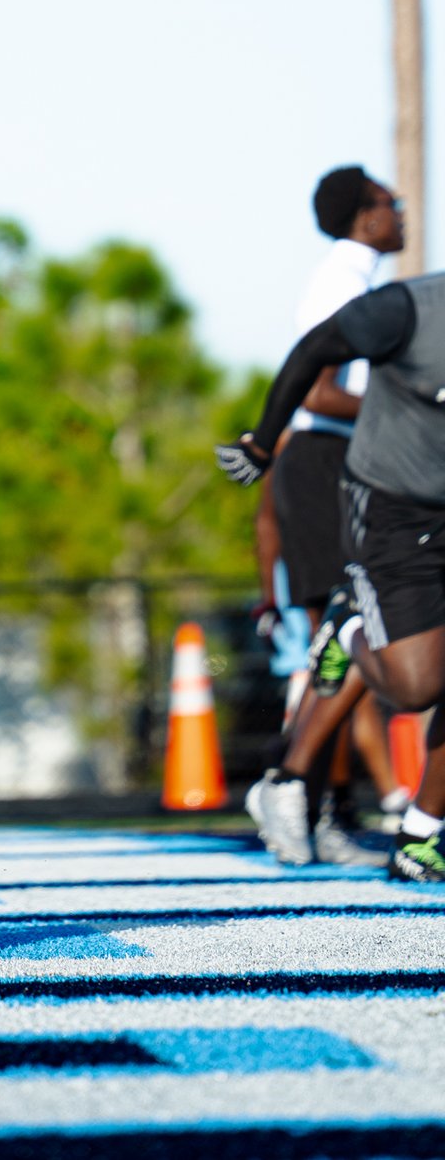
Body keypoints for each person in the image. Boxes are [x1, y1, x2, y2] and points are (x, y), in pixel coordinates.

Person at [217, 264, 445, 882]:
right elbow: (315, 349)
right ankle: (346, 627)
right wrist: (263, 442)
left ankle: (420, 835)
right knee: (417, 688)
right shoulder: (412, 308)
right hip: (395, 507)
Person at [245, 168, 405, 867]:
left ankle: (321, 806)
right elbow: (319, 392)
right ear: (365, 216)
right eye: (391, 203)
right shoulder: (343, 279)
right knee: (344, 638)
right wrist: (411, 411)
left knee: (351, 641)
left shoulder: (359, 276)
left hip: (344, 464)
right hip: (321, 464)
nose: (401, 212)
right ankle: (306, 797)